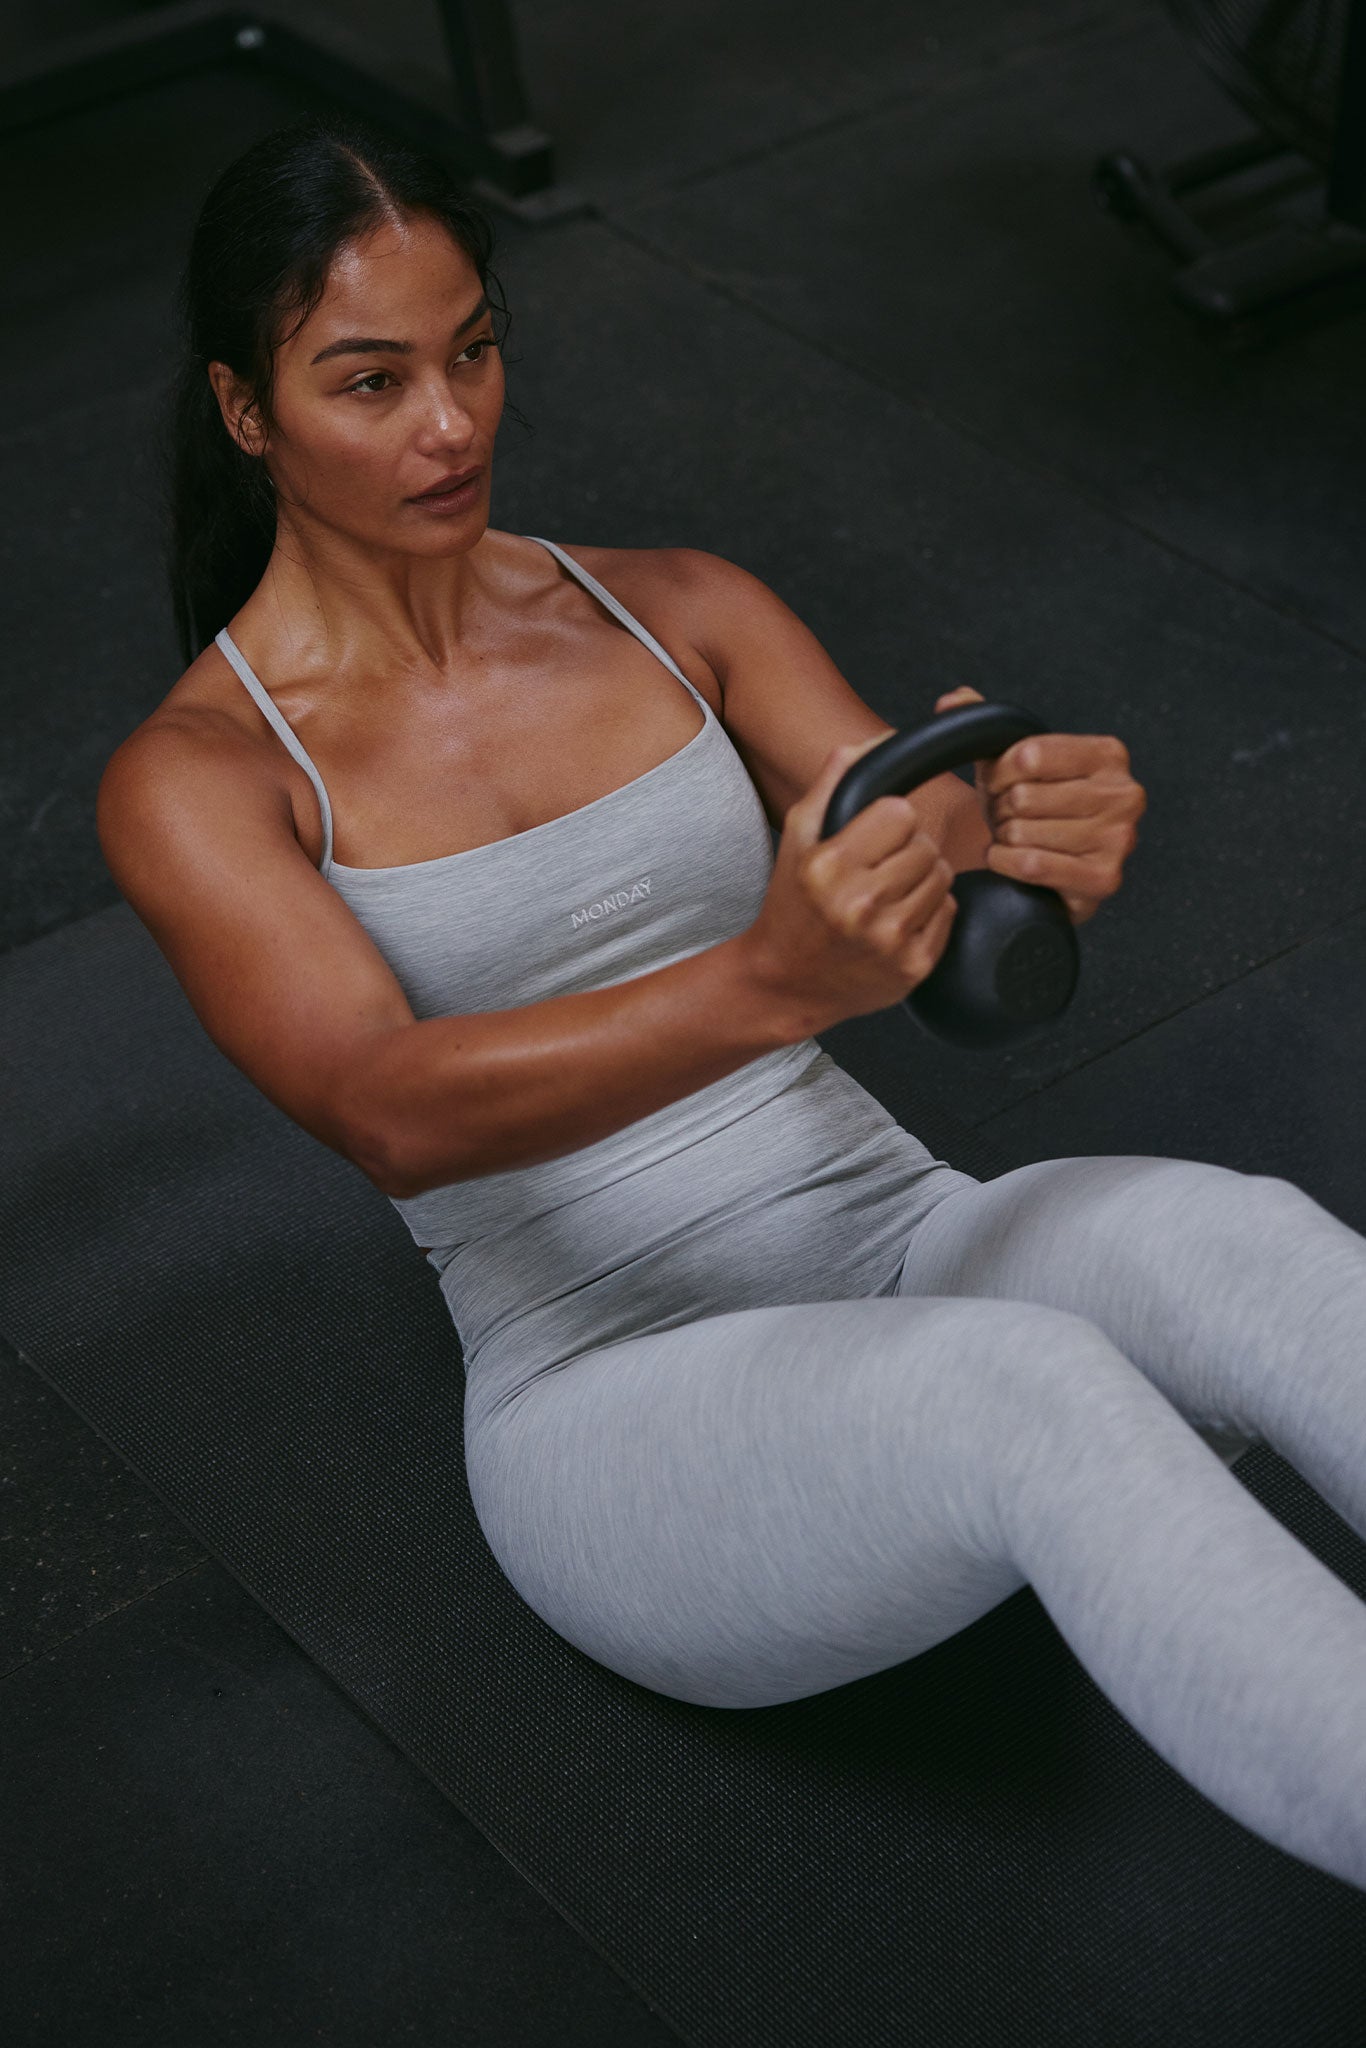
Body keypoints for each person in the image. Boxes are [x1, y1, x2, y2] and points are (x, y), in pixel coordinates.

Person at [97, 112, 1366, 1894]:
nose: (450, 423)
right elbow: (383, 1100)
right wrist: (770, 978)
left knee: (1254, 1243)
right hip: (616, 1398)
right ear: (249, 411)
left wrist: (1013, 838)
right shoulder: (207, 775)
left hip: (903, 1238)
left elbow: (916, 889)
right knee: (1031, 1390)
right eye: (368, 382)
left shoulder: (677, 604)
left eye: (472, 351)